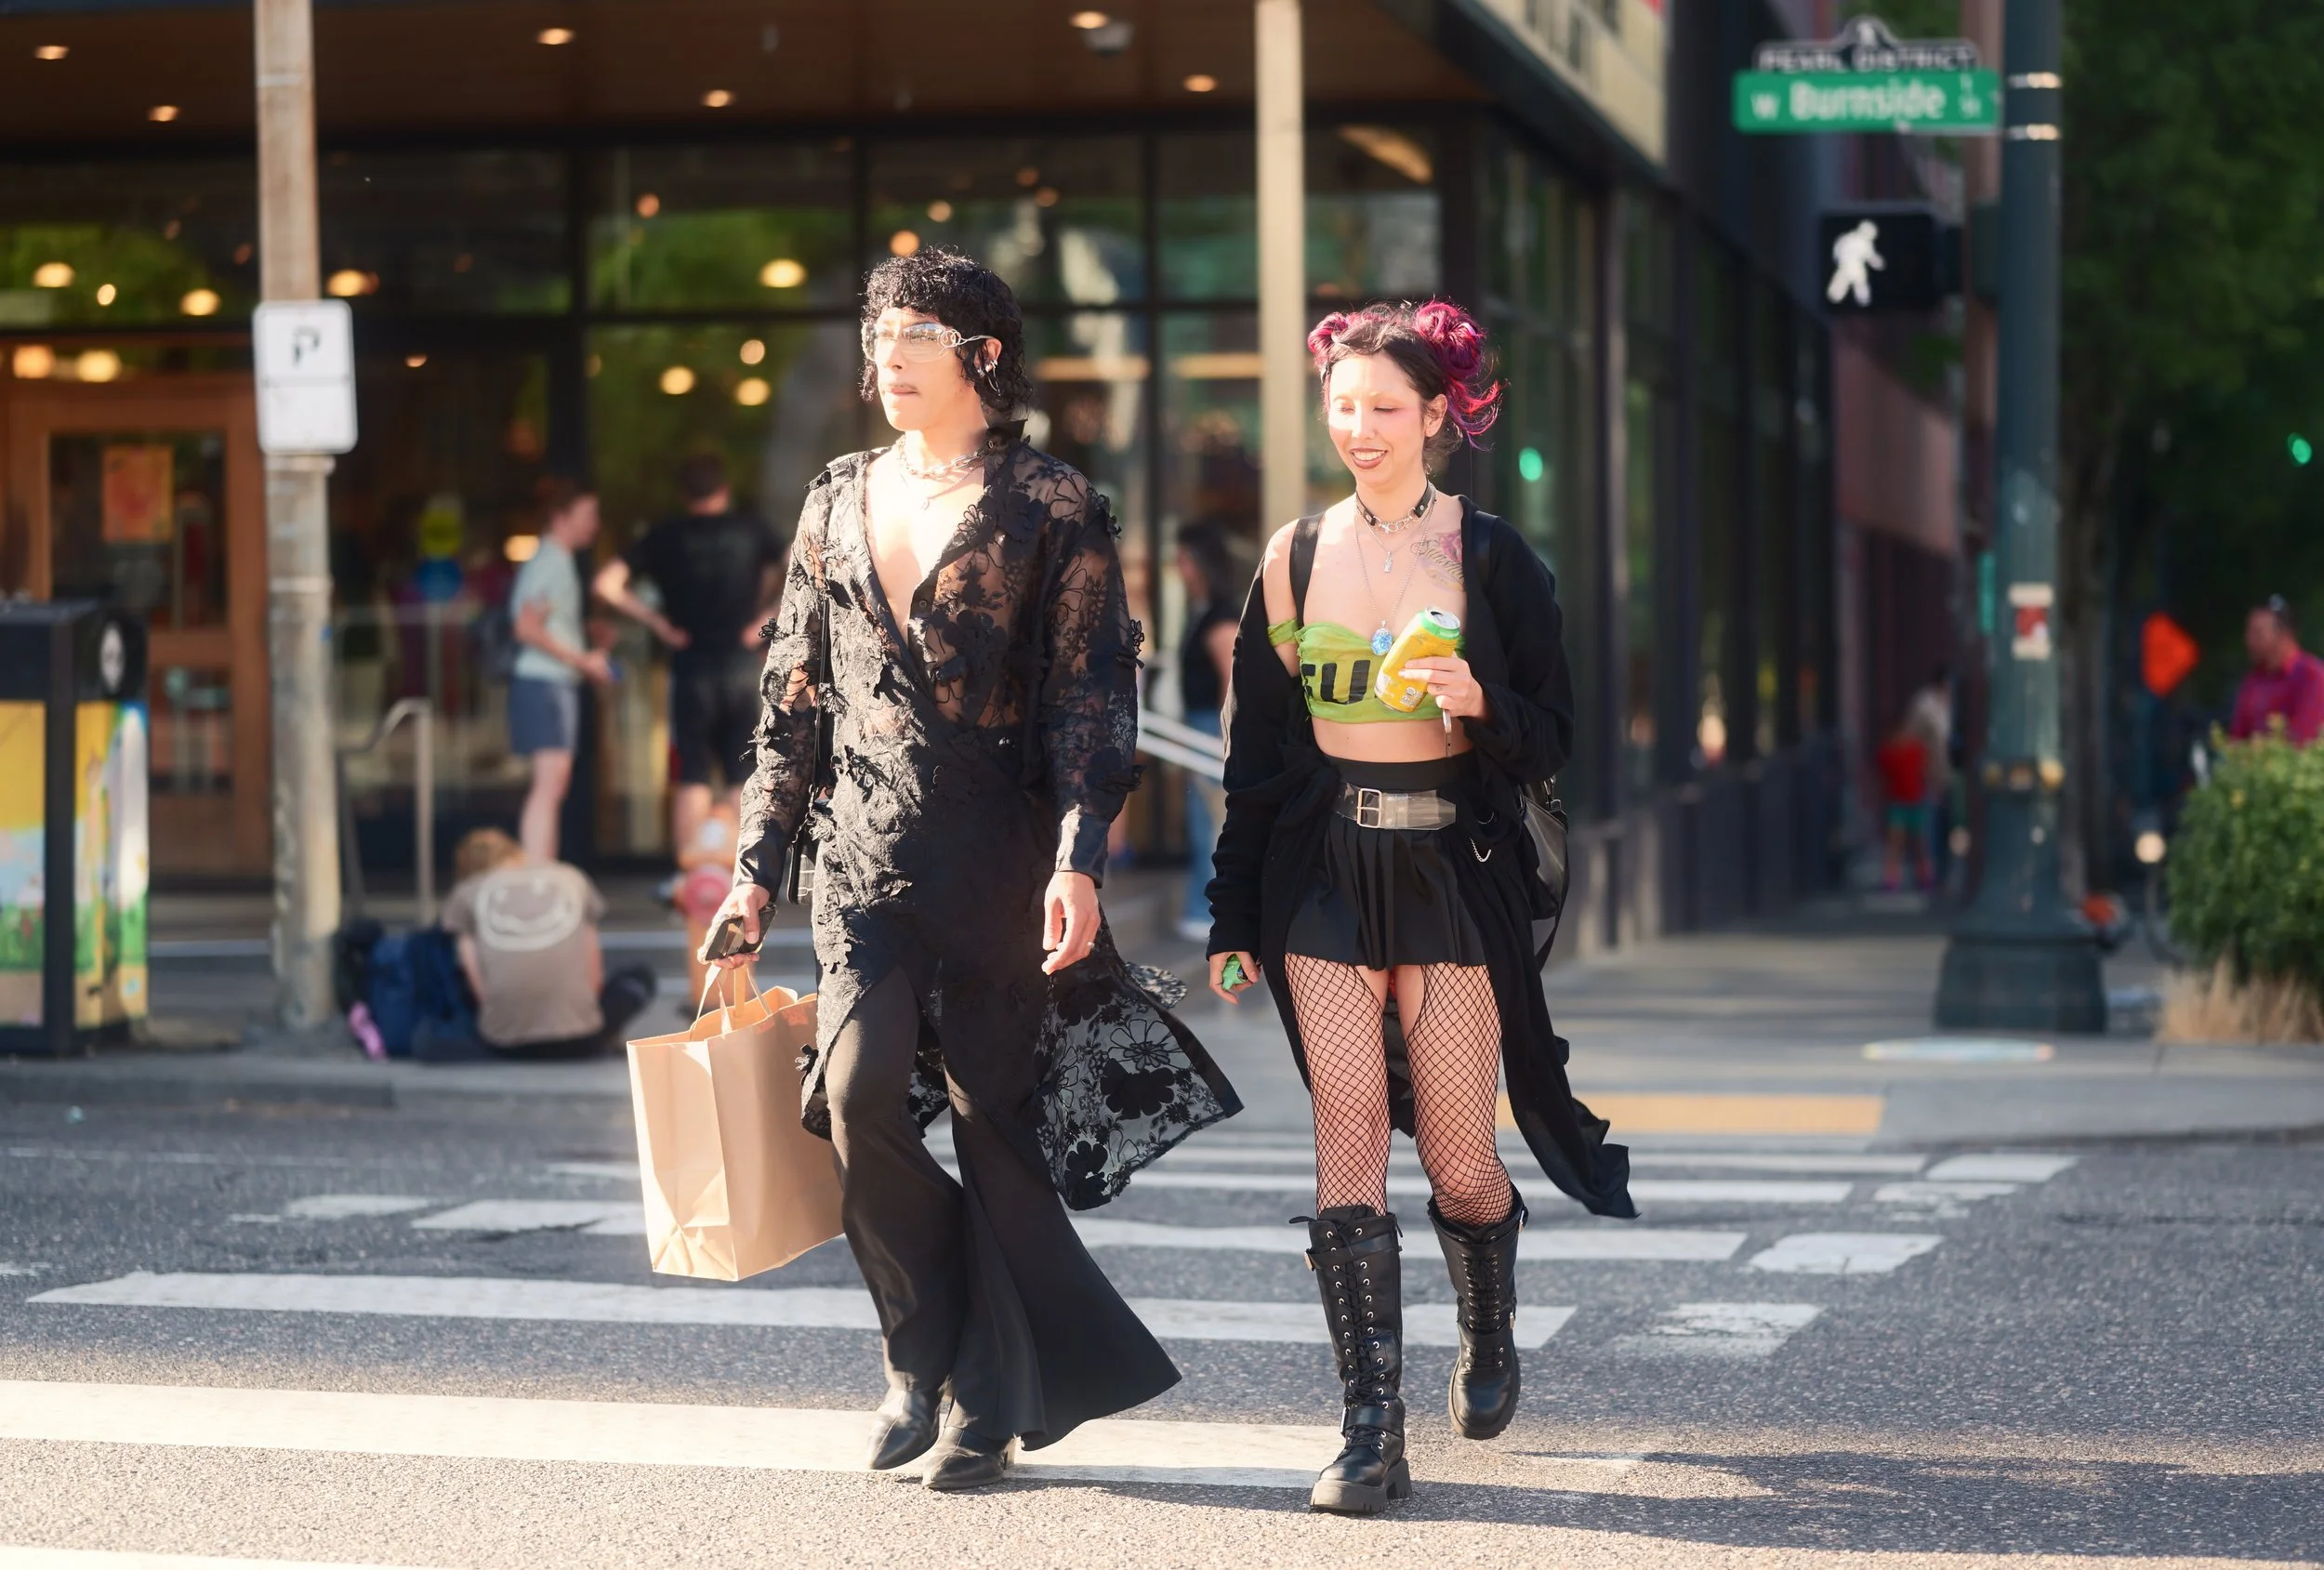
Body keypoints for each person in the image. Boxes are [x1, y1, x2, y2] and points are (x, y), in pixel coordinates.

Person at [706, 248, 1238, 1492]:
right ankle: (921, 1350)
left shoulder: (1053, 505)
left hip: (999, 862)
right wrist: (749, 869)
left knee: (1001, 1134)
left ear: (982, 358)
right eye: (878, 336)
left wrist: (1078, 857)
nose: (886, 358)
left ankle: (986, 1404)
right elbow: (793, 696)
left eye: (915, 338)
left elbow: (1093, 700)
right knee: (856, 1094)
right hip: (864, 858)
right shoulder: (836, 494)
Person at [1205, 300, 1634, 1516]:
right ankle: (1366, 1421)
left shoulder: (1494, 559)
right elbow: (1257, 765)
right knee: (1347, 1127)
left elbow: (1556, 734)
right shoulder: (1290, 560)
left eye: (1385, 407)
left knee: (1457, 1155)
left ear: (1438, 416)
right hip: (1325, 880)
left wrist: (1478, 698)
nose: (1361, 427)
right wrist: (1234, 919)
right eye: (1343, 406)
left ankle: (1487, 1317)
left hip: (1454, 872)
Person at [594, 455, 786, 859]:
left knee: (693, 774)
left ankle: (688, 873)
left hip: (690, 665)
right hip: (739, 662)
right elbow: (801, 563)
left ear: (684, 495)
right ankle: (747, 871)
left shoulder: (666, 535)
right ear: (725, 490)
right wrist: (766, 618)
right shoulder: (749, 530)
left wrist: (658, 624)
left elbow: (607, 583)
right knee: (742, 773)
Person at [441, 828, 655, 1059]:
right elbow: (593, 970)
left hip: (504, 1043)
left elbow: (477, 982)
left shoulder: (467, 892)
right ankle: (601, 1036)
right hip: (580, 1039)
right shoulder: (570, 877)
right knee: (640, 976)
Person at [509, 481, 614, 864]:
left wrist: (584, 636)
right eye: (588, 516)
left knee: (554, 782)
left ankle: (542, 871)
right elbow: (526, 626)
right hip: (545, 682)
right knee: (549, 783)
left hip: (551, 682)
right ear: (560, 517)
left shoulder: (555, 560)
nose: (594, 525)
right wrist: (583, 660)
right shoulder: (551, 560)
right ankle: (539, 873)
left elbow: (539, 623)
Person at [1174, 522, 1241, 944]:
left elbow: (1231, 682)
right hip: (1195, 724)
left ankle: (1208, 912)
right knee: (1204, 823)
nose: (1177, 568)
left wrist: (1224, 743)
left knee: (1211, 826)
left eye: (1182, 559)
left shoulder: (1220, 615)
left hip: (1210, 730)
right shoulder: (1200, 610)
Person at [2228, 595, 2324, 745]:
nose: (2249, 641)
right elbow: (2237, 738)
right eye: (2249, 633)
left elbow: (2303, 740)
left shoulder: (2311, 677)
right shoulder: (2253, 681)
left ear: (2284, 635)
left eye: (2258, 634)